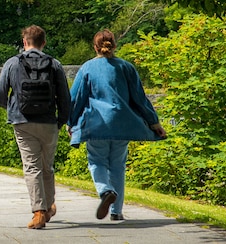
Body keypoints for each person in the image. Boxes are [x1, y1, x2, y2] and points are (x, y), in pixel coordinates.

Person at [67, 29, 167, 221]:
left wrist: (71, 122)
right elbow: (140, 99)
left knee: (97, 161)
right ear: (114, 45)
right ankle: (116, 211)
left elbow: (76, 98)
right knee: (118, 166)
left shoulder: (87, 68)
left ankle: (105, 191)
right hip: (122, 124)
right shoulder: (126, 67)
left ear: (95, 47)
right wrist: (154, 123)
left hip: (97, 124)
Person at [0, 25, 72, 230]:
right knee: (47, 166)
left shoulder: (12, 63)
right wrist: (61, 120)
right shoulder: (54, 64)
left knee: (32, 167)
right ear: (43, 43)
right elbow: (65, 97)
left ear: (24, 42)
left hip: (22, 122)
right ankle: (48, 208)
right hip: (48, 122)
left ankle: (39, 212)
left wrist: (11, 108)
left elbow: (0, 95)